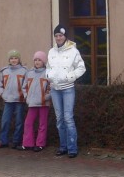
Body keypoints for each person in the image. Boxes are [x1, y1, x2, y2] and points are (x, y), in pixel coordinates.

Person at [46, 25, 86, 158]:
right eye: (56, 36)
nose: (58, 38)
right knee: (59, 119)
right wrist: (49, 76)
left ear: (65, 36)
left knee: (68, 118)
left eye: (61, 35)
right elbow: (48, 67)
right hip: (55, 89)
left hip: (68, 89)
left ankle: (72, 148)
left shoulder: (73, 51)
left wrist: (70, 77)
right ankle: (63, 147)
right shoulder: (51, 51)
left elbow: (81, 68)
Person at [0, 50, 27, 149]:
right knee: (5, 121)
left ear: (19, 59)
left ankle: (16, 141)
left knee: (19, 121)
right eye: (11, 58)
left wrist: (24, 96)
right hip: (8, 100)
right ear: (9, 60)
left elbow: (26, 86)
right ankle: (3, 141)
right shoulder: (4, 71)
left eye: (16, 58)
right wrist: (2, 94)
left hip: (19, 100)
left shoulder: (25, 71)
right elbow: (0, 85)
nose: (14, 60)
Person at [20, 51, 51, 152]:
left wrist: (45, 97)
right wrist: (27, 97)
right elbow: (24, 87)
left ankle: (40, 144)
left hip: (43, 103)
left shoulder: (48, 73)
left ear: (44, 62)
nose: (37, 62)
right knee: (28, 123)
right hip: (32, 103)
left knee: (42, 124)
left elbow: (51, 87)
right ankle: (27, 143)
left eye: (39, 60)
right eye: (35, 60)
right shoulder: (29, 73)